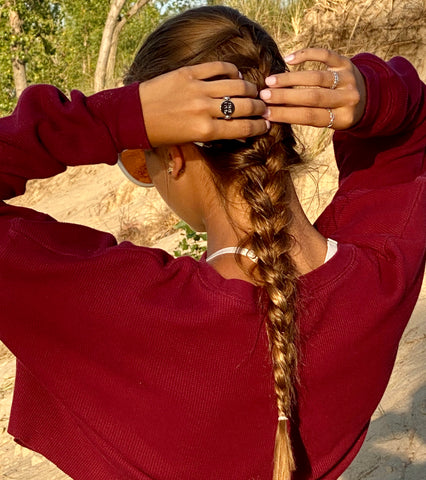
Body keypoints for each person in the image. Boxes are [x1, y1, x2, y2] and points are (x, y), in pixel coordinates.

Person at [0, 5, 424, 480]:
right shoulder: (382, 274)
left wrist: (112, 119)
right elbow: (410, 137)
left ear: (174, 155)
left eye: (140, 160)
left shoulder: (119, 310)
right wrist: (375, 98)